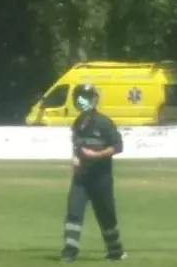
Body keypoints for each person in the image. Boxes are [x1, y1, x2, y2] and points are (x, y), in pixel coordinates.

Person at [61, 83, 126, 263]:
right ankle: (69, 251)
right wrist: (76, 158)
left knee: (106, 215)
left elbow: (118, 146)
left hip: (101, 177)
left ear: (94, 100)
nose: (82, 101)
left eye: (86, 97)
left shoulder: (104, 123)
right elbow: (77, 146)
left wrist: (96, 155)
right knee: (74, 212)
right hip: (81, 178)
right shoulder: (78, 123)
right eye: (79, 97)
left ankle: (115, 251)